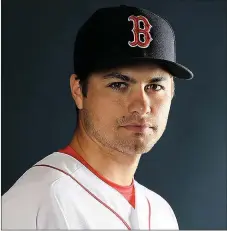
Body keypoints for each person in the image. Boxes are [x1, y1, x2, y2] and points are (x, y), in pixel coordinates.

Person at [2, 5, 194, 230]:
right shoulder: (36, 201)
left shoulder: (160, 212)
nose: (142, 105)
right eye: (119, 84)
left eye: (154, 86)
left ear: (171, 91)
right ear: (78, 91)